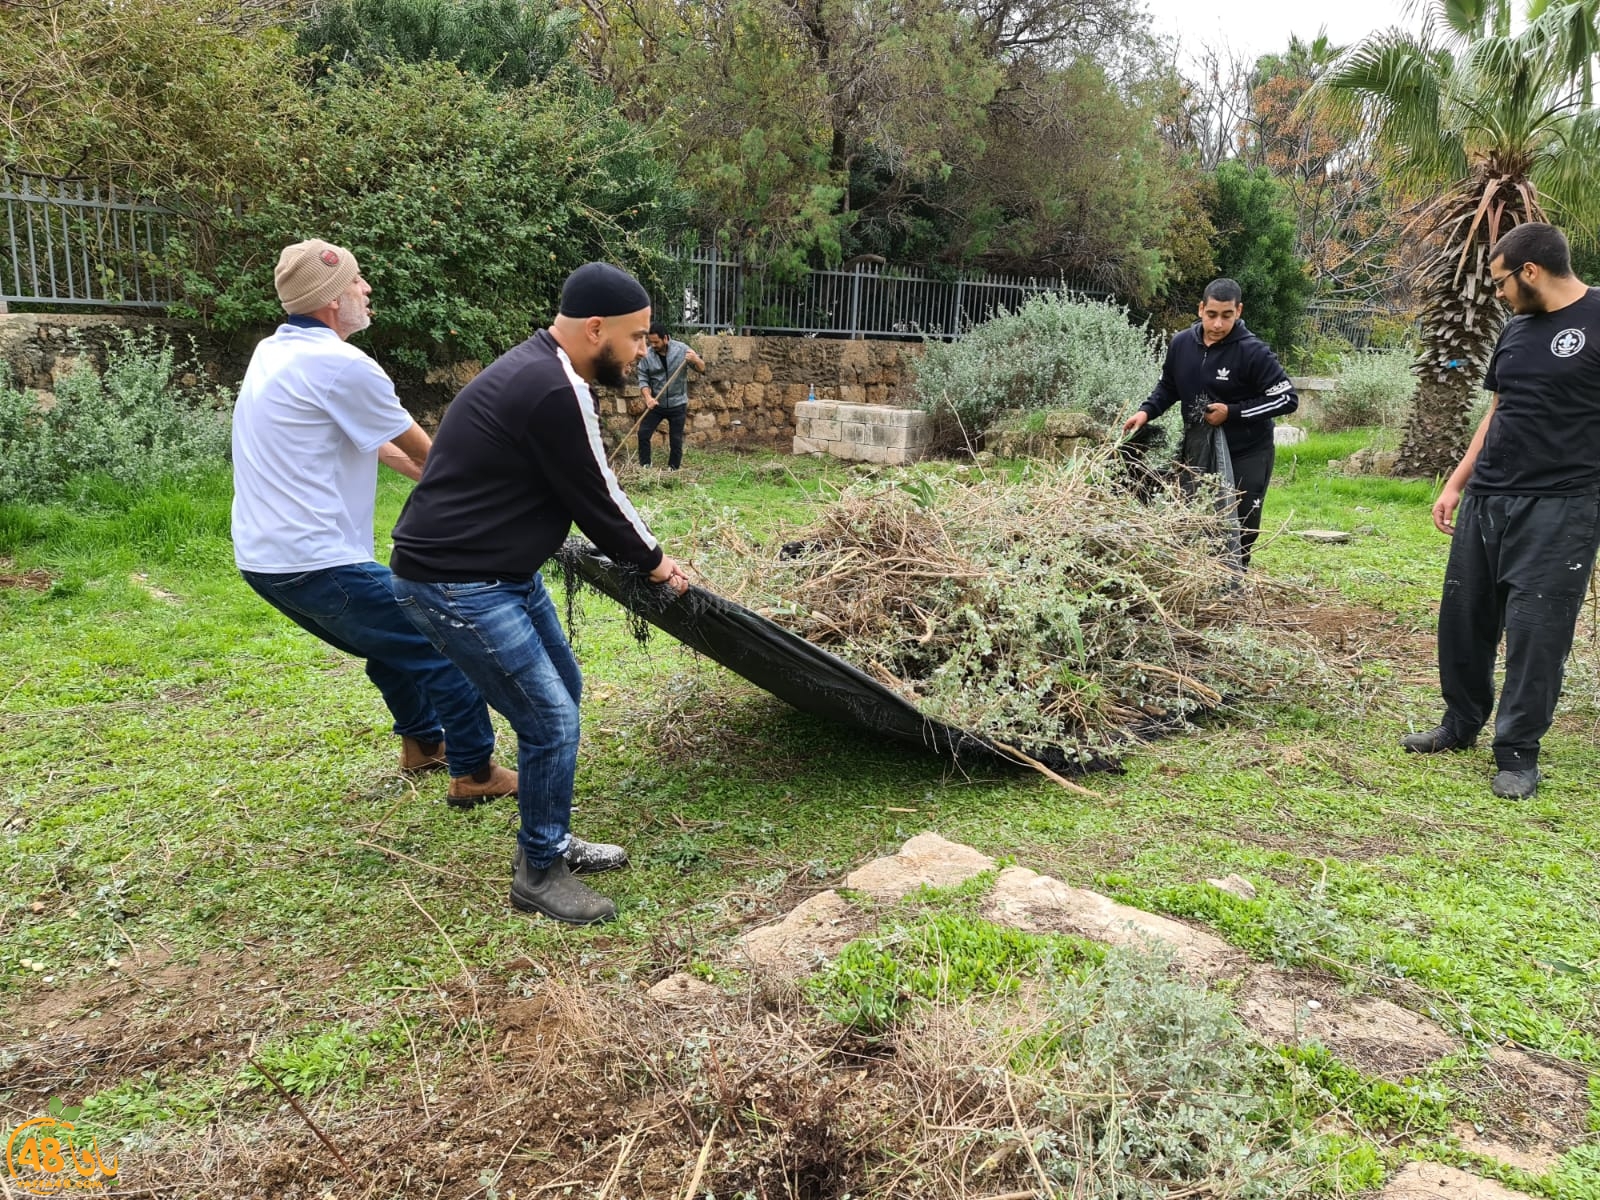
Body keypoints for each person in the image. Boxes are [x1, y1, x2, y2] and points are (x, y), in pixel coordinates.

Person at [390, 263, 691, 925]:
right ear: (594, 329)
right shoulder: (554, 387)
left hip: (500, 572)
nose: (644, 351)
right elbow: (598, 499)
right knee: (550, 718)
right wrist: (658, 563)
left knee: (562, 690)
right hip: (457, 580)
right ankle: (538, 872)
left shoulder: (537, 369)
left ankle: (551, 834)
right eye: (637, 337)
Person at [231, 239, 517, 808]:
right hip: (316, 559)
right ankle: (474, 772)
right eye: (357, 283)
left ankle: (421, 744)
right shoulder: (342, 364)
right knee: (440, 640)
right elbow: (430, 454)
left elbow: (383, 449)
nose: (366, 290)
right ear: (334, 300)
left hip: (266, 561)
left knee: (390, 645)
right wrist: (495, 502)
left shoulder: (274, 352)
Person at [1402, 222, 1600, 801]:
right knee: (1465, 617)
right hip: (1490, 496)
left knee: (1537, 631)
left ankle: (1517, 752)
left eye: (1502, 281)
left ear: (1531, 271)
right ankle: (1460, 724)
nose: (1499, 293)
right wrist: (1457, 483)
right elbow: (1497, 412)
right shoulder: (1515, 330)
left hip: (1562, 503)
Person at [1122, 278, 1299, 567]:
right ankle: (1199, 581)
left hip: (1247, 452)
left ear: (1238, 311)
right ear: (1201, 309)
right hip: (1198, 451)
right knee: (1195, 517)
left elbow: (1287, 399)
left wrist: (1233, 412)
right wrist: (1146, 412)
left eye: (1226, 316)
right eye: (1212, 315)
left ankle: (1232, 584)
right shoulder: (1181, 344)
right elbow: (1169, 386)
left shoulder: (1253, 352)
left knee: (1241, 524)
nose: (1218, 324)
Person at [636, 321, 705, 469]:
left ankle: (673, 469)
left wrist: (696, 359)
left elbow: (702, 368)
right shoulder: (647, 356)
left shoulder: (682, 350)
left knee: (675, 439)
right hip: (656, 403)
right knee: (643, 433)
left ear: (666, 338)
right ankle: (645, 467)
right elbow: (643, 379)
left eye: (656, 342)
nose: (653, 345)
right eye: (650, 342)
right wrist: (648, 398)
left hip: (677, 404)